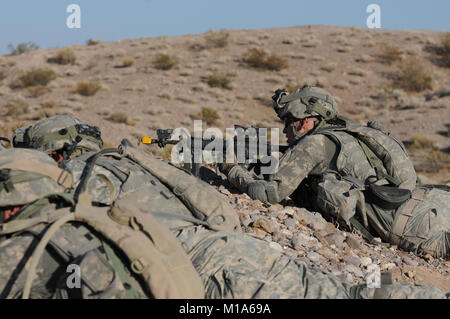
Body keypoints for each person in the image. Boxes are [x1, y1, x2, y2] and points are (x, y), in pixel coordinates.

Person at [1, 148, 448, 299]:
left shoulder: (69, 197)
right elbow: (211, 203)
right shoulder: (127, 157)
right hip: (231, 245)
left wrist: (237, 171)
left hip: (203, 271)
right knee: (350, 292)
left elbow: (269, 193)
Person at [221, 85, 450, 260]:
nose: (284, 129)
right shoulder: (348, 133)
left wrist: (233, 170)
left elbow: (271, 194)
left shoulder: (314, 144)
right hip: (435, 201)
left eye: (288, 121)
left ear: (305, 121)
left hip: (417, 227)